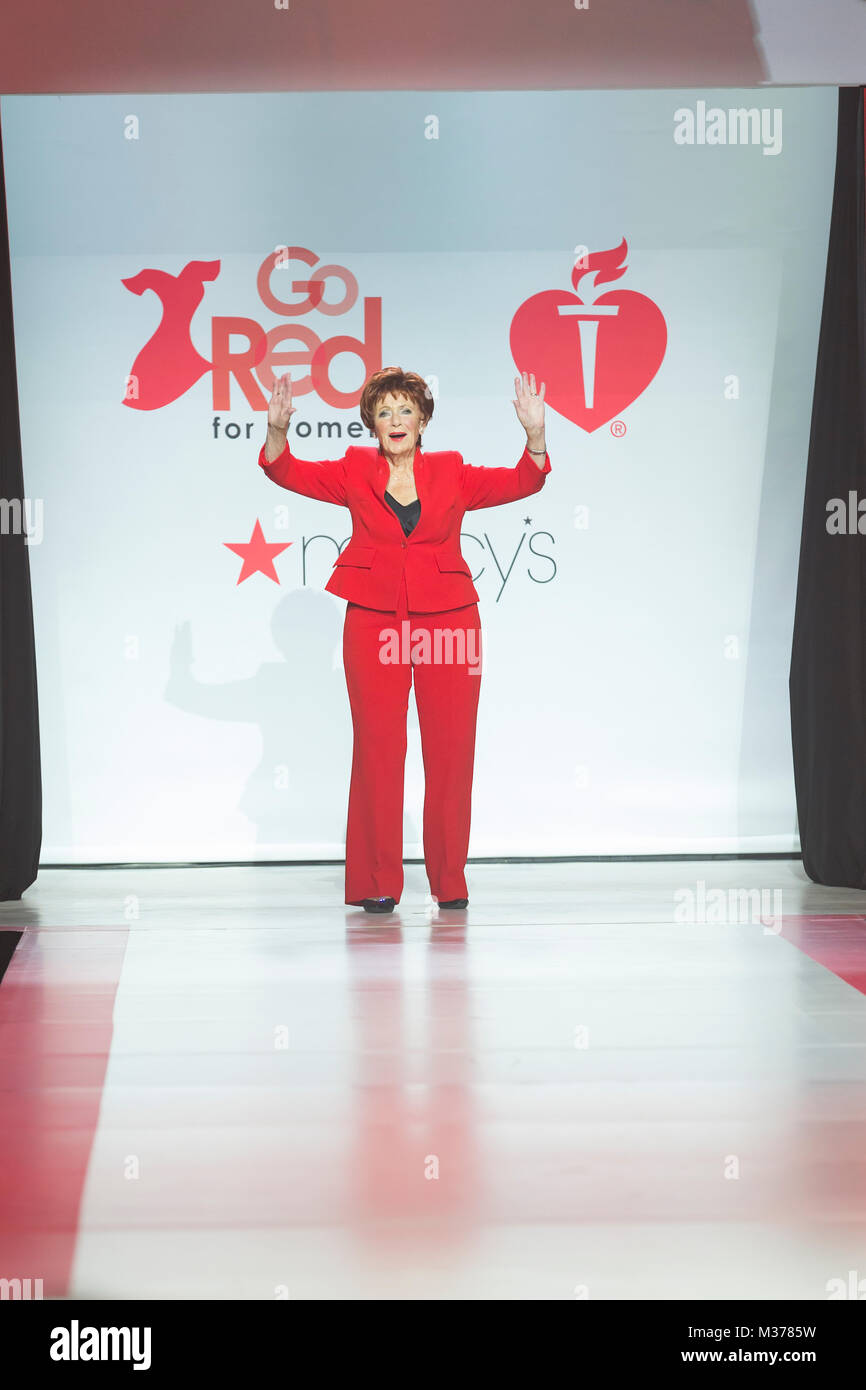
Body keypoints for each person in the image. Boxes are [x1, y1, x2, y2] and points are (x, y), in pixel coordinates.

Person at [258, 365, 551, 913]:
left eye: (406, 410)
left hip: (449, 620)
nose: (396, 420)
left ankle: (450, 881)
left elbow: (524, 481)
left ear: (423, 420)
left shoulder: (454, 471)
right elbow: (285, 471)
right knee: (377, 750)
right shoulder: (351, 469)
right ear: (371, 421)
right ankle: (377, 880)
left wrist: (534, 435)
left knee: (451, 751)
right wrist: (277, 431)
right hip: (373, 618)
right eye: (385, 411)